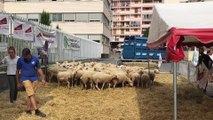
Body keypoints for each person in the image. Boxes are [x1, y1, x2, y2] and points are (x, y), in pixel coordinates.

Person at [16, 48, 46, 117]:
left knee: (30, 94)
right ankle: (36, 110)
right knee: (31, 93)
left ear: (29, 54)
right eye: (23, 56)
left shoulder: (35, 59)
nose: (24, 58)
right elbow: (17, 71)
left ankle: (28, 109)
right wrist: (18, 82)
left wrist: (43, 78)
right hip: (25, 78)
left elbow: (39, 69)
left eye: (25, 56)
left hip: (34, 78)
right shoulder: (20, 60)